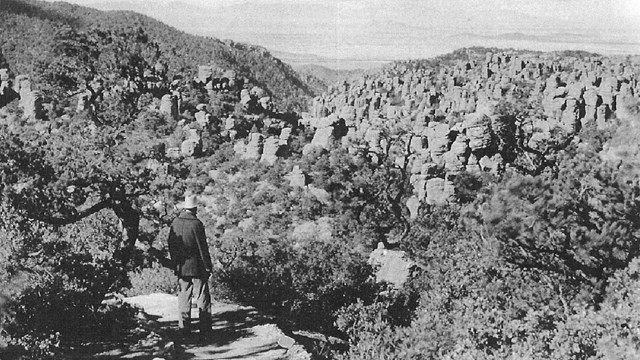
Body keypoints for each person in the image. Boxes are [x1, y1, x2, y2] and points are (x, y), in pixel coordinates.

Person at [168, 194, 213, 335]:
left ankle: (184, 329)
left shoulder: (175, 222)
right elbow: (202, 248)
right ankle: (205, 330)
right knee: (202, 297)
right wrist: (208, 266)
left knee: (183, 296)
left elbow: (170, 243)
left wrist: (175, 262)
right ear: (195, 208)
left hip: (181, 266)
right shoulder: (197, 224)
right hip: (197, 266)